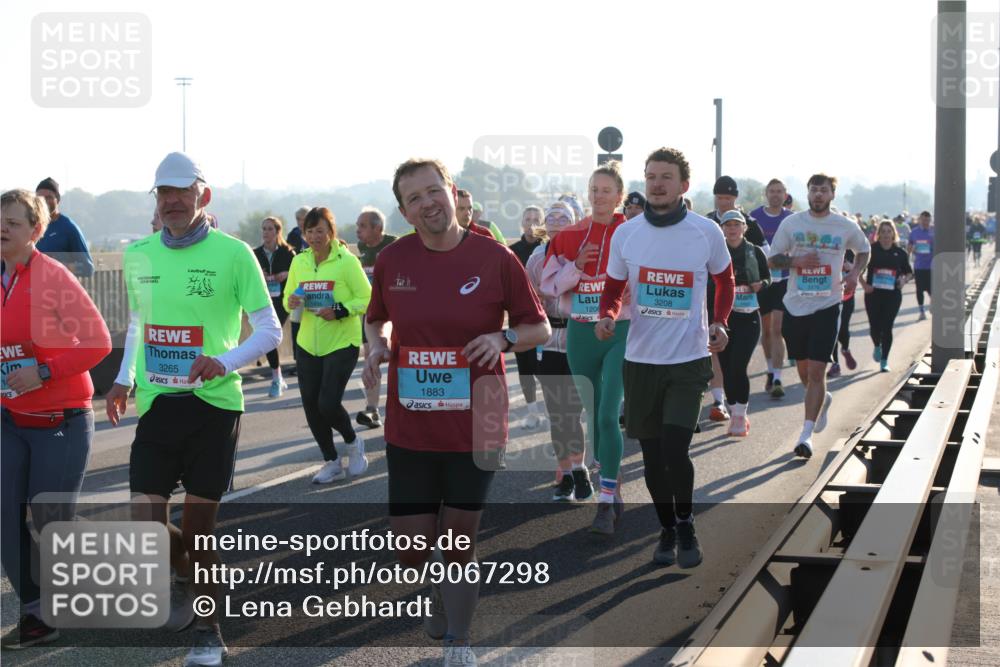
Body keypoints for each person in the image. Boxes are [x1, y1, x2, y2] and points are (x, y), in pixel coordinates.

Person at [363, 158, 548, 666]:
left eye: (433, 191)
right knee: (411, 550)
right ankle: (440, 585)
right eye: (414, 199)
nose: (427, 204)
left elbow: (539, 329)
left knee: (459, 540)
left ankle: (459, 644)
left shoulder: (496, 258)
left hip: (479, 421)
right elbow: (375, 319)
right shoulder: (393, 261)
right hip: (411, 424)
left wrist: (503, 337)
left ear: (452, 190)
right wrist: (377, 347)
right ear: (404, 211)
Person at [105, 152, 281, 667]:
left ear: (204, 195)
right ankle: (182, 572)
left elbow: (269, 329)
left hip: (214, 406)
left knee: (200, 527)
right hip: (158, 404)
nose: (174, 201)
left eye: (183, 191)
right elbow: (139, 324)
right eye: (164, 193)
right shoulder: (139, 254)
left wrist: (222, 361)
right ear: (156, 200)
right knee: (145, 523)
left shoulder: (234, 254)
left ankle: (209, 632)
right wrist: (122, 379)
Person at [597, 147, 734, 567]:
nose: (657, 183)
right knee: (654, 458)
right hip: (640, 361)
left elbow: (724, 280)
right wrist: (606, 315)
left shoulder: (704, 232)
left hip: (688, 359)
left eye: (666, 177)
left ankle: (687, 522)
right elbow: (613, 289)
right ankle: (666, 528)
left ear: (683, 185)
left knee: (676, 451)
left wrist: (721, 321)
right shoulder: (627, 233)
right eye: (651, 176)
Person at [0, 190, 111, 650]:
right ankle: (36, 615)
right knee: (6, 518)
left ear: (37, 232)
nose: (2, 229)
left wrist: (42, 370)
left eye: (13, 223)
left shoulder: (53, 276)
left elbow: (99, 342)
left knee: (52, 523)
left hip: (61, 419)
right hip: (10, 418)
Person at [541, 162, 631, 536]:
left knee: (609, 413)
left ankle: (605, 503)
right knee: (594, 417)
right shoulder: (568, 236)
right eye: (593, 189)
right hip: (580, 331)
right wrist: (576, 267)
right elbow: (549, 285)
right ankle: (613, 479)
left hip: (619, 328)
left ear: (619, 196)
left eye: (606, 190)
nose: (598, 196)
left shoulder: (631, 233)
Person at [768, 173, 869, 459]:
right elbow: (772, 259)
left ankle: (806, 434)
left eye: (823, 190)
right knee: (804, 372)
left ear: (832, 195)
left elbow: (863, 250)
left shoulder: (844, 225)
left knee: (816, 371)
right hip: (795, 305)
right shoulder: (792, 223)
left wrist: (853, 273)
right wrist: (795, 261)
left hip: (828, 305)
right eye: (813, 190)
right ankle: (822, 399)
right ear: (808, 193)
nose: (817, 195)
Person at [284, 207, 372, 484]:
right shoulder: (299, 262)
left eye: (319, 231)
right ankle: (331, 461)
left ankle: (353, 441)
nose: (314, 237)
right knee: (311, 405)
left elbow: (368, 298)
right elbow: (289, 296)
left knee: (327, 402)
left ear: (331, 232)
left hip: (341, 341)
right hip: (308, 342)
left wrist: (339, 309)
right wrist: (293, 302)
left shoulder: (346, 261)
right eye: (309, 232)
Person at [527, 202, 593, 500]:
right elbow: (527, 297)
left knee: (573, 411)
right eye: (550, 216)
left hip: (578, 338)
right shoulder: (537, 257)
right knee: (557, 414)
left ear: (575, 223)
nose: (555, 221)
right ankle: (566, 475)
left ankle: (580, 469)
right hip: (547, 342)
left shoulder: (586, 253)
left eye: (563, 217)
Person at [704, 176, 767, 419]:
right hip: (715, 307)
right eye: (720, 197)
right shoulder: (707, 222)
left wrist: (759, 283)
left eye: (729, 198)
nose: (724, 202)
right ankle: (720, 401)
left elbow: (767, 262)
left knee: (736, 366)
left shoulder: (751, 226)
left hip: (747, 310)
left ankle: (737, 410)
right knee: (718, 359)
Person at [713, 210, 770, 436]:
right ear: (722, 229)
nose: (732, 229)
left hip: (748, 317)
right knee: (727, 370)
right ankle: (735, 410)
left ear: (744, 228)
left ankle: (739, 415)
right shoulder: (717, 252)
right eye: (728, 225)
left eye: (736, 225)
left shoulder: (754, 252)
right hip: (724, 318)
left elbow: (769, 277)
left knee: (738, 366)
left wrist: (761, 285)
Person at [750, 179, 794, 397]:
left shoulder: (791, 219)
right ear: (766, 194)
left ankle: (777, 377)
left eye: (779, 192)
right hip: (762, 281)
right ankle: (769, 369)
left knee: (778, 329)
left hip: (784, 280)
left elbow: (796, 253)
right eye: (772, 191)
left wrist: (780, 262)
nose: (776, 195)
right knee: (765, 330)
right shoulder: (754, 217)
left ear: (785, 195)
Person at [355, 206, 398, 428]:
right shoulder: (362, 249)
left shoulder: (395, 245)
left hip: (395, 312)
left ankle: (404, 406)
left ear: (378, 228)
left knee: (396, 357)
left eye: (362, 226)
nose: (357, 231)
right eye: (357, 226)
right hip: (371, 313)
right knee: (370, 356)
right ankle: (372, 409)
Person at [509, 206, 546, 429]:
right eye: (527, 219)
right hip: (520, 320)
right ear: (521, 222)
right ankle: (532, 412)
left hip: (546, 320)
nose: (531, 223)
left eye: (536, 219)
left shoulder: (549, 248)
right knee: (525, 370)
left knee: (545, 370)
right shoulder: (511, 251)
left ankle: (555, 413)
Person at [254, 216, 297, 397]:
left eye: (270, 229)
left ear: (278, 231)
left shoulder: (288, 253)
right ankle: (276, 376)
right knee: (268, 334)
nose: (266, 232)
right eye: (264, 229)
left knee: (271, 333)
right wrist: (260, 275)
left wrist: (286, 273)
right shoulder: (255, 254)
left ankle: (276, 377)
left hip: (282, 300)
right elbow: (248, 276)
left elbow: (298, 274)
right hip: (264, 301)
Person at [862, 221, 913, 373]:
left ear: (893, 234)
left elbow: (909, 272)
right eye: (882, 231)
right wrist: (865, 285)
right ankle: (877, 345)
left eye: (888, 231)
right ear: (878, 234)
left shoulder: (900, 253)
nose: (885, 235)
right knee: (874, 327)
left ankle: (884, 360)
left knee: (887, 326)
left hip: (892, 295)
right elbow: (858, 269)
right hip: (873, 294)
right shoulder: (871, 250)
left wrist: (903, 280)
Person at [34, 177, 94, 278]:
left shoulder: (69, 228)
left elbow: (88, 268)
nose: (43, 202)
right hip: (33, 290)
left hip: (58, 291)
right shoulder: (30, 227)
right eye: (39, 199)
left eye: (48, 197)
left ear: (58, 199)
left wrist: (57, 265)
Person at [828, 248, 859, 378]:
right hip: (830, 297)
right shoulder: (827, 250)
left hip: (847, 297)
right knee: (832, 330)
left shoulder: (851, 252)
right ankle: (835, 364)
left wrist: (850, 267)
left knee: (843, 328)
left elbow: (860, 270)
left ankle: (845, 349)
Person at [907, 210, 933, 320]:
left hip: (932, 266)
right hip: (919, 266)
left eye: (927, 220)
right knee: (919, 289)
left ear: (930, 220)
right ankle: (922, 311)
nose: (925, 222)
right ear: (919, 220)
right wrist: (912, 249)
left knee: (932, 289)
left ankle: (933, 304)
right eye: (923, 219)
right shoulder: (914, 232)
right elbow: (909, 248)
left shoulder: (935, 231)